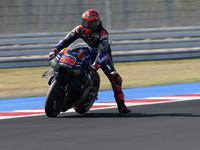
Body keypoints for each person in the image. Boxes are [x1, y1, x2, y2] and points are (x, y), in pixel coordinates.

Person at [49, 9, 131, 114]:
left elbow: (103, 51)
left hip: (103, 56)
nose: (87, 25)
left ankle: (122, 107)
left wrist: (96, 65)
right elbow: (66, 40)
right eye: (84, 22)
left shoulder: (102, 33)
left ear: (97, 22)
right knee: (70, 59)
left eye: (90, 23)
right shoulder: (79, 29)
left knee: (116, 78)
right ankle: (71, 85)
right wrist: (55, 49)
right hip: (89, 51)